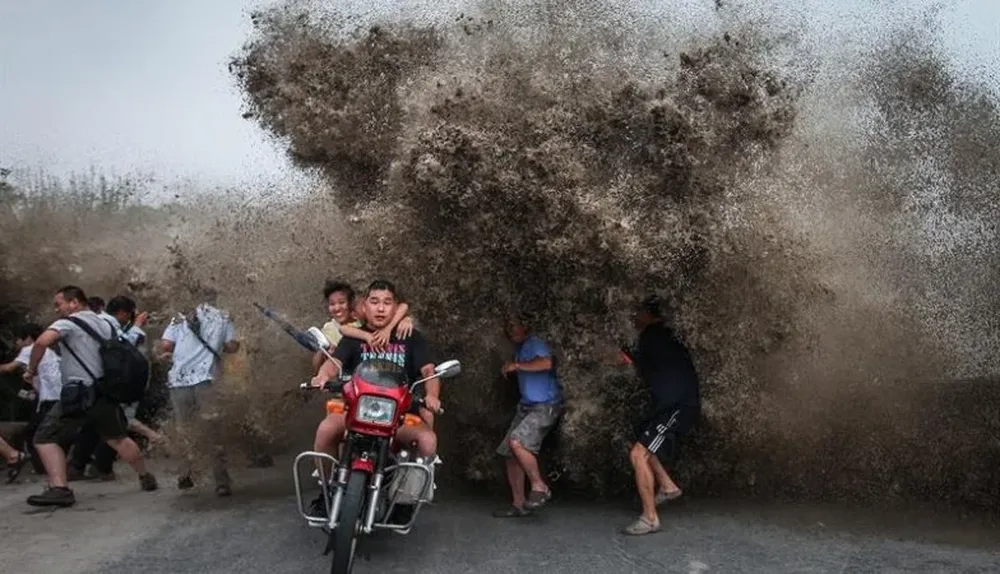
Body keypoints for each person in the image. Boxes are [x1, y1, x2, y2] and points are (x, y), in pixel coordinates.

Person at [309, 280, 441, 515]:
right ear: (364, 307)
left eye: (387, 303)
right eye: (375, 302)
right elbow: (334, 364)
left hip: (398, 417)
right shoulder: (354, 337)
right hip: (356, 412)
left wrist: (431, 395)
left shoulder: (411, 336)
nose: (381, 308)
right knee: (325, 430)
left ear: (396, 307)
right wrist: (322, 376)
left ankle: (403, 501)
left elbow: (429, 371)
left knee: (428, 441)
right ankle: (328, 491)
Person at [24, 285, 158, 507]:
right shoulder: (107, 322)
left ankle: (60, 488)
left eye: (59, 304)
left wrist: (31, 370)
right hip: (104, 390)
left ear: (74, 302)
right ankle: (145, 476)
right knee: (118, 438)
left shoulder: (67, 322)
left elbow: (41, 342)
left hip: (78, 393)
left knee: (44, 437)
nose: (57, 310)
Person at [617, 295, 700, 536]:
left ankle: (650, 518)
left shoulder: (652, 336)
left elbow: (622, 359)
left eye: (637, 312)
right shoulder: (665, 334)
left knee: (638, 454)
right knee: (638, 438)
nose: (633, 317)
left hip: (678, 406)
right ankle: (667, 486)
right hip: (668, 405)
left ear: (649, 315)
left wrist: (588, 356)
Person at [156, 292, 239, 496]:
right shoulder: (223, 317)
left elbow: (166, 345)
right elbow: (231, 346)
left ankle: (187, 472)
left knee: (185, 429)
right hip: (206, 381)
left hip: (179, 381)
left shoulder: (179, 317)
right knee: (213, 429)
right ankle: (221, 480)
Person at [72, 295, 164, 480]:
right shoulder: (108, 324)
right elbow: (122, 347)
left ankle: (79, 466)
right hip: (109, 383)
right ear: (123, 313)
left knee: (94, 425)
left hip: (94, 382)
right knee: (115, 427)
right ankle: (103, 468)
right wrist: (137, 326)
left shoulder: (101, 322)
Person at [493, 315, 564, 518]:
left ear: (526, 326)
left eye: (514, 326)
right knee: (509, 452)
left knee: (518, 442)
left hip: (545, 405)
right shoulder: (521, 347)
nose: (510, 330)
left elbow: (548, 363)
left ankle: (539, 486)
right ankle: (519, 504)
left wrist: (517, 366)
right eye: (507, 326)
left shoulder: (535, 342)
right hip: (527, 406)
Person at [0, 322, 62, 478]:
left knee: (36, 433)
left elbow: (8, 368)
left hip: (50, 397)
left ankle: (43, 467)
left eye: (18, 340)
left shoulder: (30, 350)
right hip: (55, 395)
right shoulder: (48, 351)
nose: (16, 344)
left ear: (27, 339)